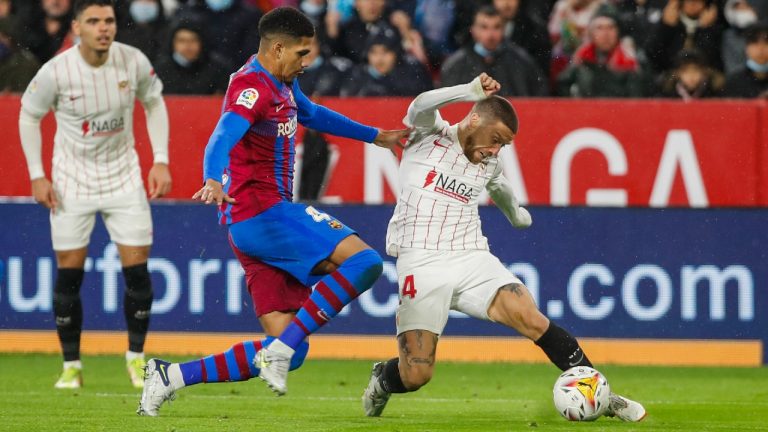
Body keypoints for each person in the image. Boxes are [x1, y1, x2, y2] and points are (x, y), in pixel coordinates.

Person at [137, 6, 409, 416]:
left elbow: (312, 113)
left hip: (250, 227)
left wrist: (374, 136)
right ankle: (278, 352)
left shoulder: (279, 81)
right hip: (264, 214)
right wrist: (212, 177)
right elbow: (221, 136)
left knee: (291, 347)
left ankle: (168, 377)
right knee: (367, 263)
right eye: (301, 54)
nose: (306, 63)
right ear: (277, 48)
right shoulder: (252, 88)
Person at [359, 73, 646, 423]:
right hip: (421, 262)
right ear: (475, 119)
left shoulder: (488, 163)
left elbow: (500, 188)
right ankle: (382, 379)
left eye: (503, 146)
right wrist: (468, 91)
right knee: (416, 374)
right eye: (495, 139)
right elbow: (420, 104)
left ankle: (600, 393)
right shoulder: (428, 135)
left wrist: (516, 214)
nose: (495, 150)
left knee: (530, 316)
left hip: (471, 255)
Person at [18, 0, 171, 389]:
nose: (103, 28)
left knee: (137, 273)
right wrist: (37, 175)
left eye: (109, 20)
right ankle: (71, 365)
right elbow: (28, 116)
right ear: (76, 27)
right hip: (71, 181)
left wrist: (161, 159)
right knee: (69, 276)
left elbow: (154, 102)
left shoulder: (132, 61)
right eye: (93, 21)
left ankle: (136, 358)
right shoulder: (56, 71)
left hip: (124, 177)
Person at [440, 6, 547, 97]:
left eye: (496, 27)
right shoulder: (455, 66)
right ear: (473, 30)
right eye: (484, 27)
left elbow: (539, 100)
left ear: (504, 29)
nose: (490, 34)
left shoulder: (522, 62)